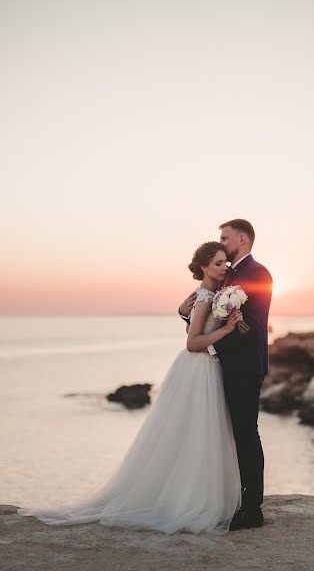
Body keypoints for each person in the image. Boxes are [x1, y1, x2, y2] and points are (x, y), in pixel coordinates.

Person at [17, 242, 242, 534]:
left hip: (203, 369)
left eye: (226, 262)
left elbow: (192, 329)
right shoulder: (204, 296)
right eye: (218, 263)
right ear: (203, 267)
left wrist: (189, 317)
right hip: (197, 369)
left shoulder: (211, 295)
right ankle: (186, 499)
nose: (224, 267)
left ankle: (190, 493)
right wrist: (226, 329)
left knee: (194, 433)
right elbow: (192, 343)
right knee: (193, 432)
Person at [179, 219, 273, 531]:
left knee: (246, 433)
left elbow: (252, 326)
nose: (221, 241)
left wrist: (216, 347)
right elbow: (208, 318)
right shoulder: (228, 273)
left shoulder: (257, 274)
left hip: (244, 366)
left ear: (242, 239)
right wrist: (186, 313)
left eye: (225, 237)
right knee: (230, 434)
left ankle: (252, 509)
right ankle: (230, 501)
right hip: (224, 365)